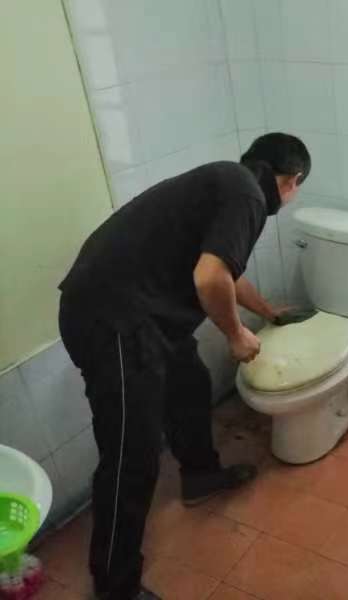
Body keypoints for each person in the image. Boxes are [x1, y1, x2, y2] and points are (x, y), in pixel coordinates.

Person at [58, 133, 311, 600]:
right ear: (292, 181)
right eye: (297, 189)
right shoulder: (248, 197)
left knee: (189, 381)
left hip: (137, 312)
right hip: (114, 321)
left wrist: (268, 312)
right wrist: (236, 334)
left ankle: (199, 474)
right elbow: (210, 277)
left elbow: (225, 271)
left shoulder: (230, 182)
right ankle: (115, 587)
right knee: (131, 455)